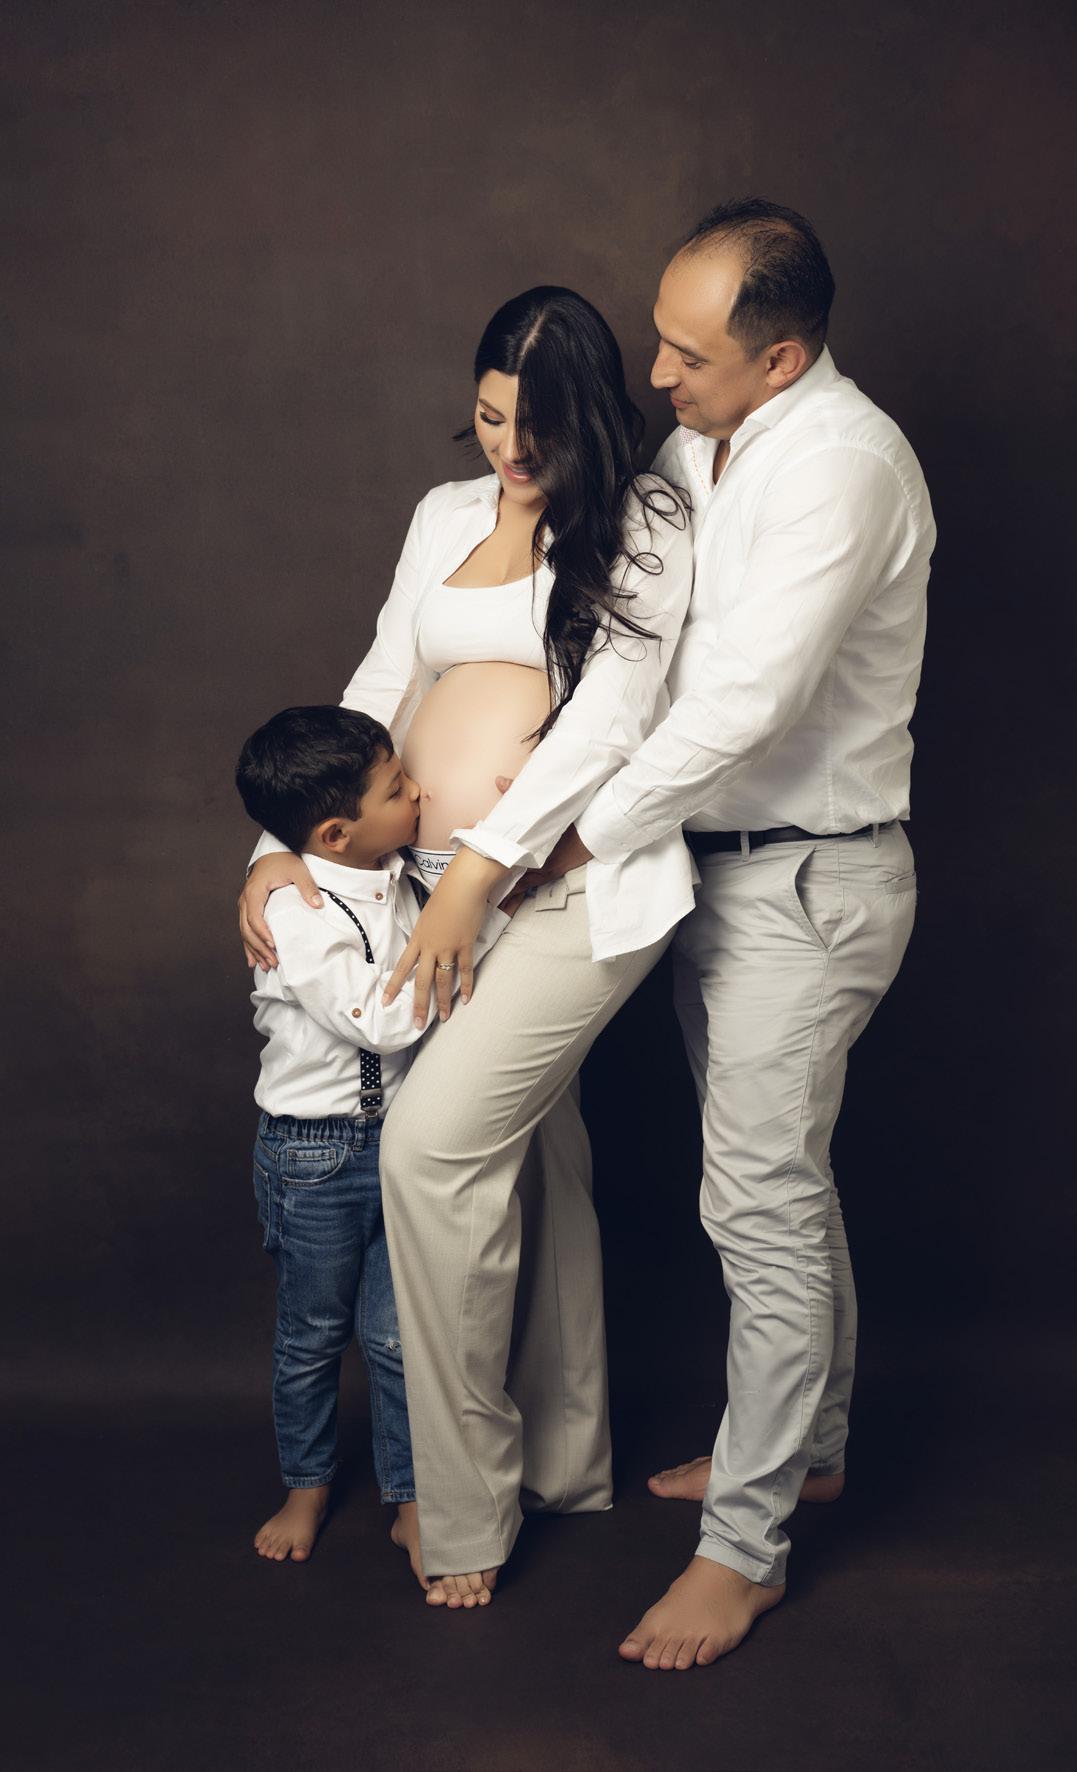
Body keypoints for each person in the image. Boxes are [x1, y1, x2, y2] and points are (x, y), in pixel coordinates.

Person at [238, 287, 695, 1609]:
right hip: (416, 882)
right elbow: (380, 685)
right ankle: (565, 1458)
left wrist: (479, 872)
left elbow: (611, 720)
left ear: (592, 417)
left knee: (434, 1152)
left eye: (537, 424)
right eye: (491, 417)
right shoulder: (445, 515)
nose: (510, 447)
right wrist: (281, 848)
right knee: (536, 1157)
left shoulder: (644, 522)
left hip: (554, 889)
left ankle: (460, 1499)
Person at [530, 200, 936, 1667]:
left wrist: (583, 831)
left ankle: (744, 1547)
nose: (655, 374)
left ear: (781, 358)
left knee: (755, 1206)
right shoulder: (703, 442)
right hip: (724, 879)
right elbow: (638, 642)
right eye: (658, 339)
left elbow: (745, 704)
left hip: (811, 888)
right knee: (778, 1190)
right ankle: (807, 1450)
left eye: (687, 355)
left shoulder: (841, 467)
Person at [234, 704, 507, 1576]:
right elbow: (380, 1020)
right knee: (312, 1336)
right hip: (312, 1157)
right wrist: (463, 941)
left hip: (400, 1144)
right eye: (397, 789)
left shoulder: (397, 872)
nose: (419, 792)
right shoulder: (294, 911)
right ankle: (307, 1486)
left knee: (398, 1337)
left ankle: (412, 1499)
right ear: (334, 834)